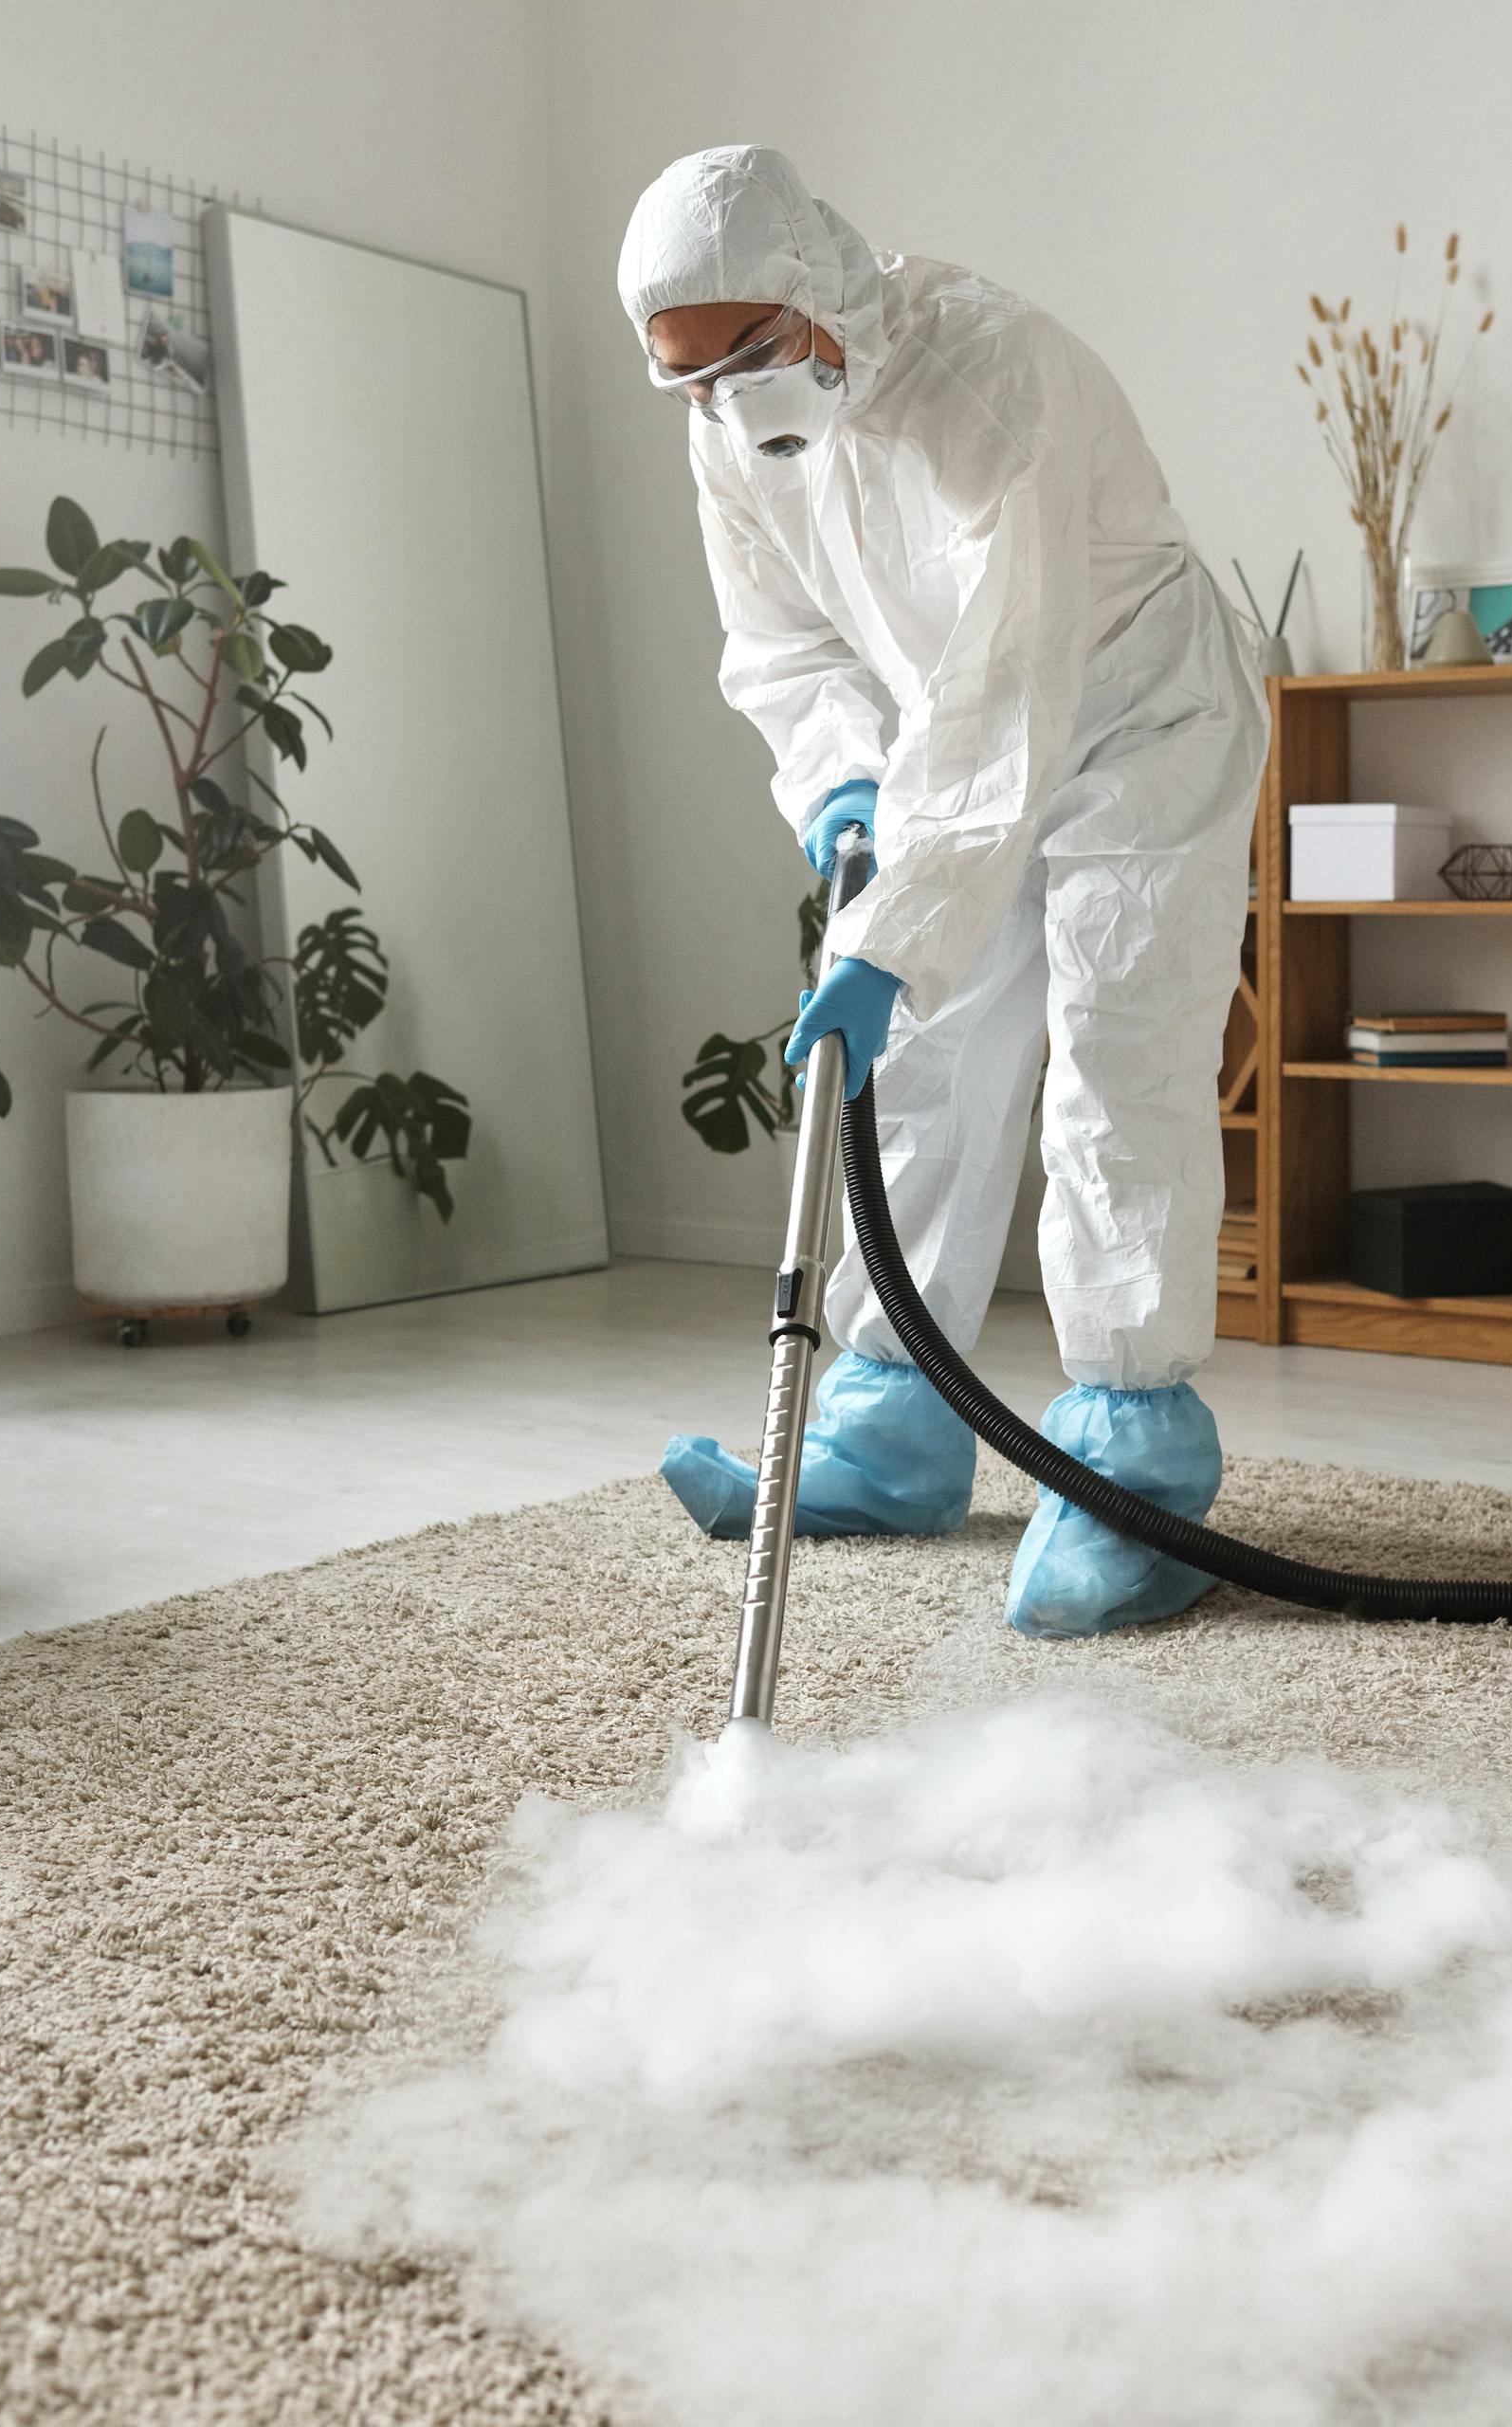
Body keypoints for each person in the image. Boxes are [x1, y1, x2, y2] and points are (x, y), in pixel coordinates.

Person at [618, 145, 1267, 1637]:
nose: (730, 395)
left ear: (819, 285)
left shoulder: (991, 374)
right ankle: (892, 1425)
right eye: (692, 378)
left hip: (1135, 719)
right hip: (945, 746)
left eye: (754, 353)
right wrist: (840, 776)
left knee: (1115, 1062)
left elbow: (1011, 685)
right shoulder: (731, 423)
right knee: (918, 1068)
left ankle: (1135, 1457)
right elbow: (779, 640)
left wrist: (895, 923)